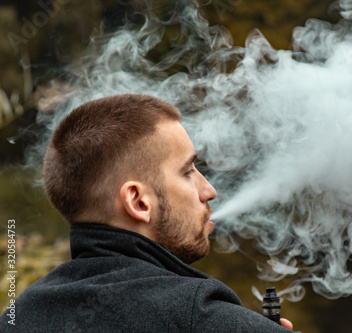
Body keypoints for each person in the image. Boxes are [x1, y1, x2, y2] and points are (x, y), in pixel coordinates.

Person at [0, 94, 296, 332]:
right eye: (188, 171)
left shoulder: (17, 316)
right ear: (138, 201)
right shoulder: (197, 316)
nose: (209, 190)